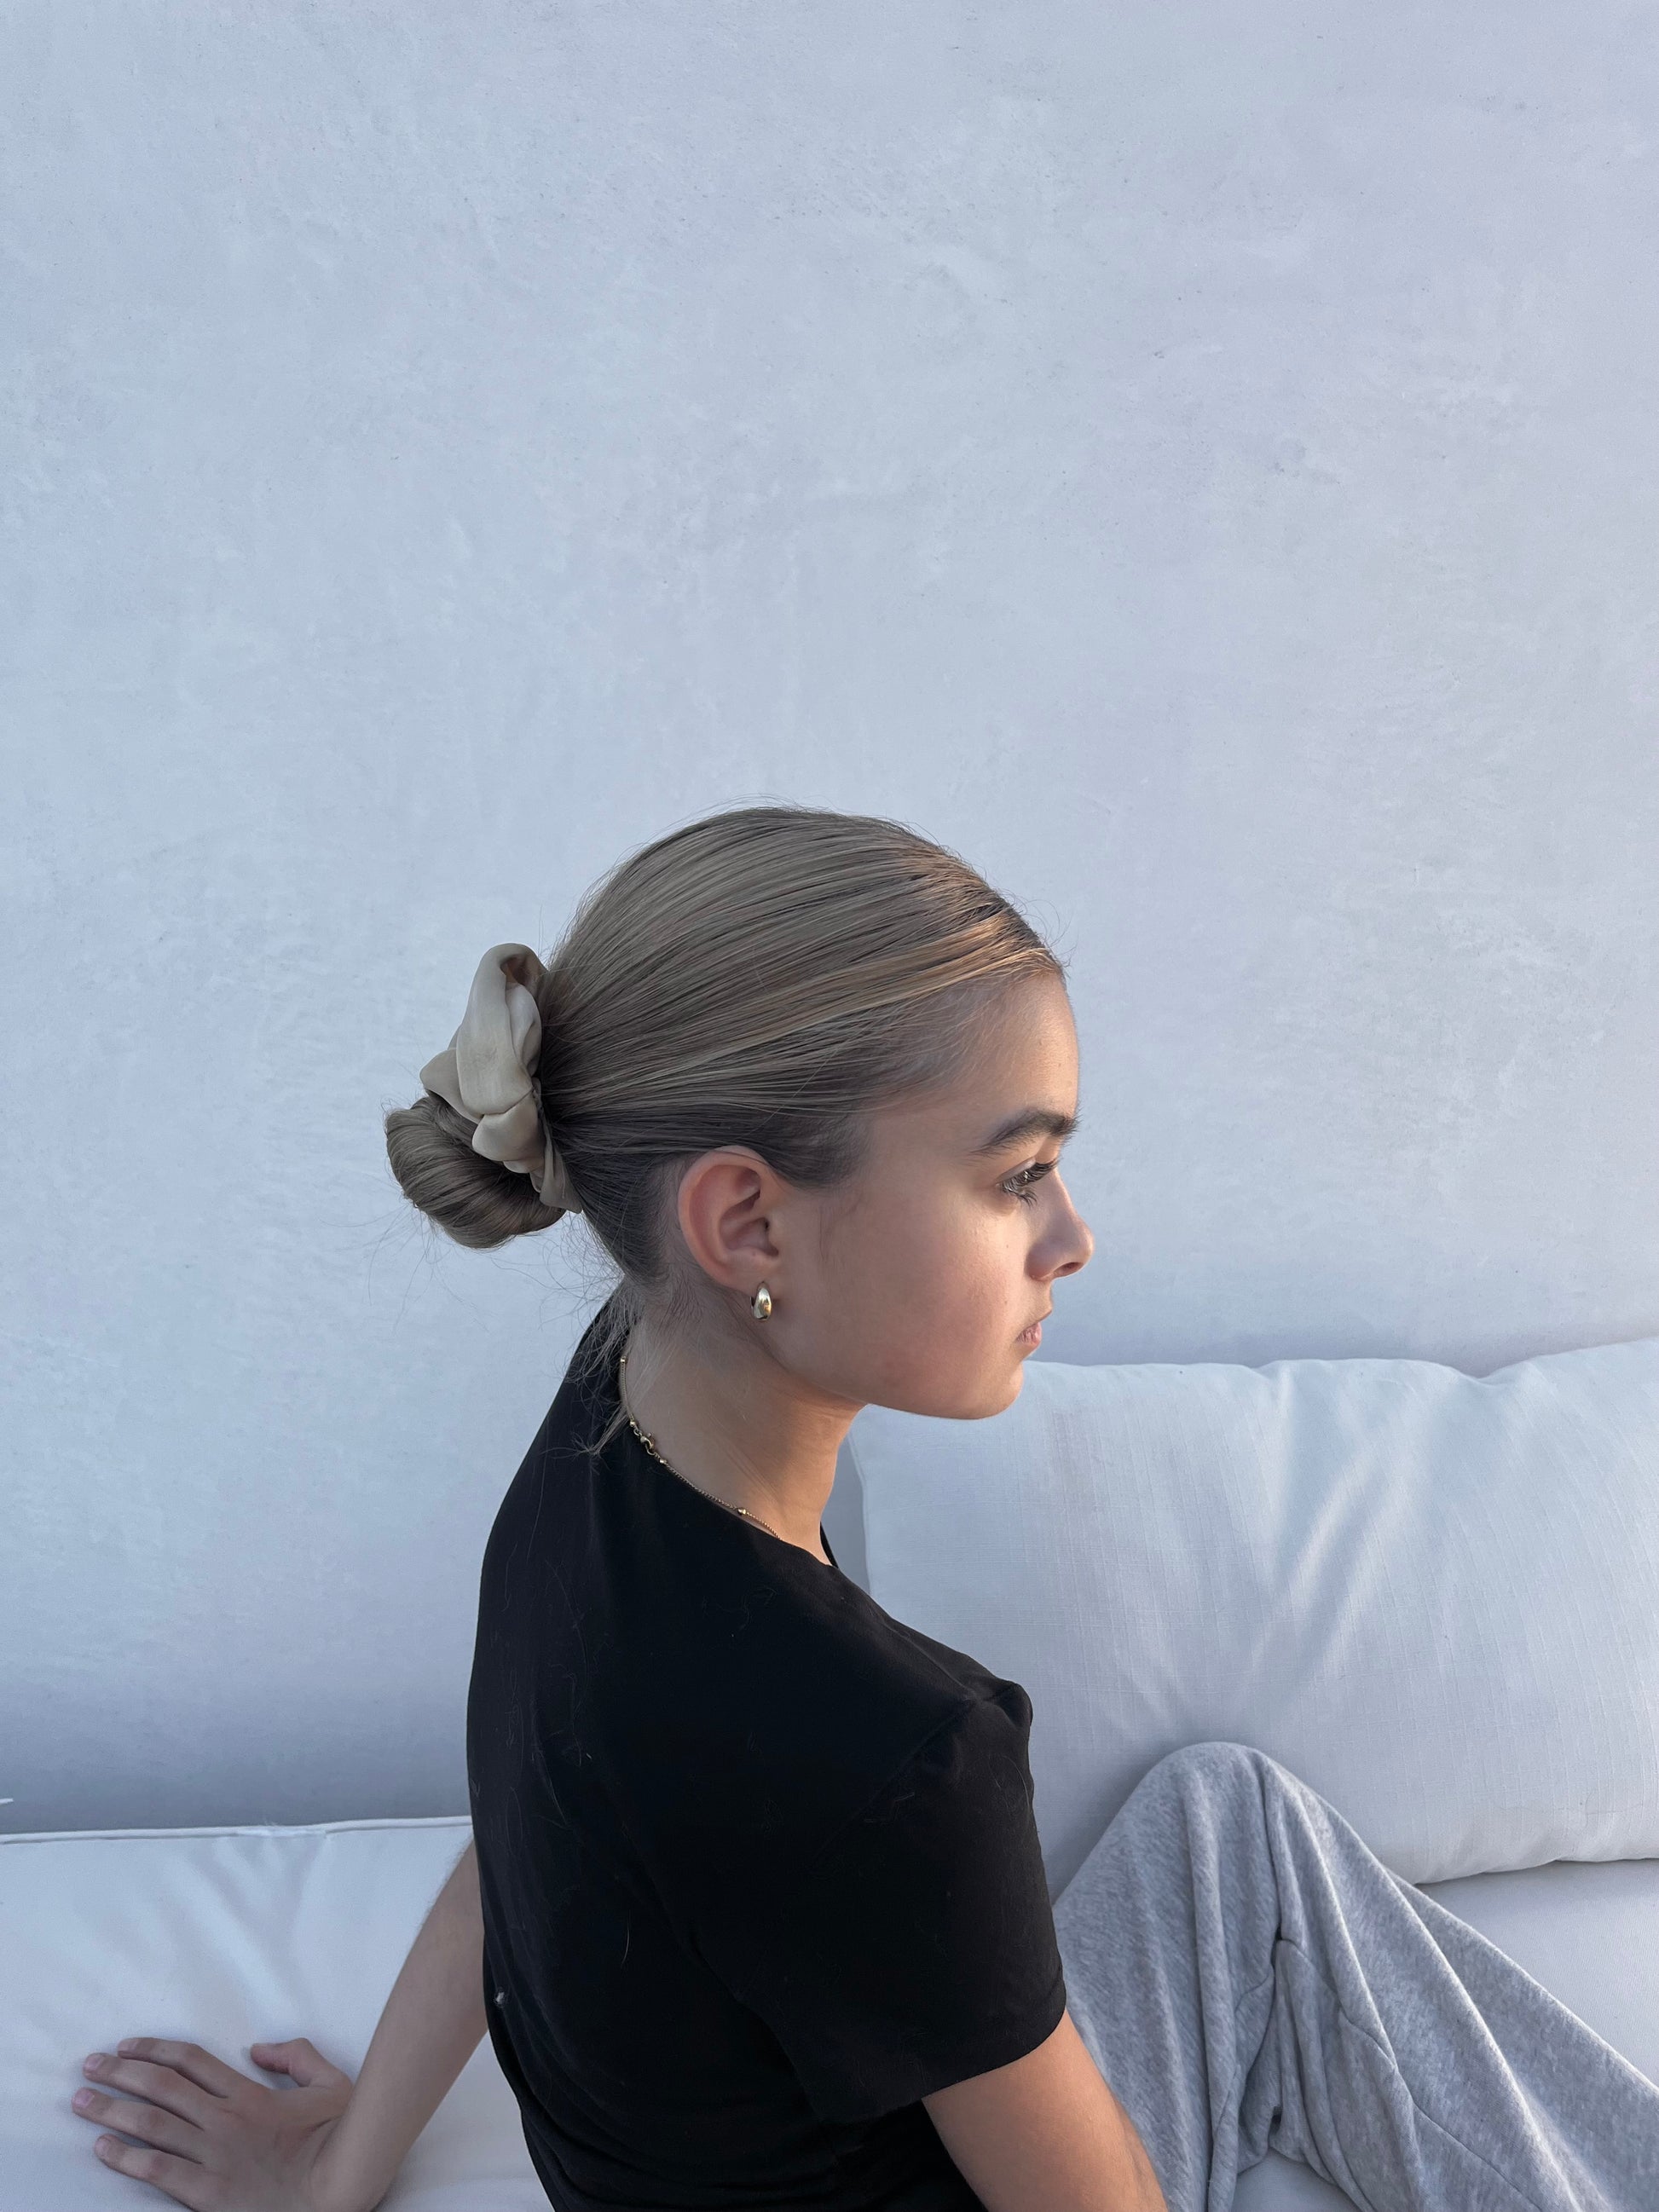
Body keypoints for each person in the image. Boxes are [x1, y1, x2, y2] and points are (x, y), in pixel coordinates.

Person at [71, 804, 1659, 2212]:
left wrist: (334, 2173)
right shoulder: (897, 1759)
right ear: (746, 1224)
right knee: (1238, 1841)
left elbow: (521, 1833)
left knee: (1224, 1822)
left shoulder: (607, 1423)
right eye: (1015, 1174)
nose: (1071, 1237)